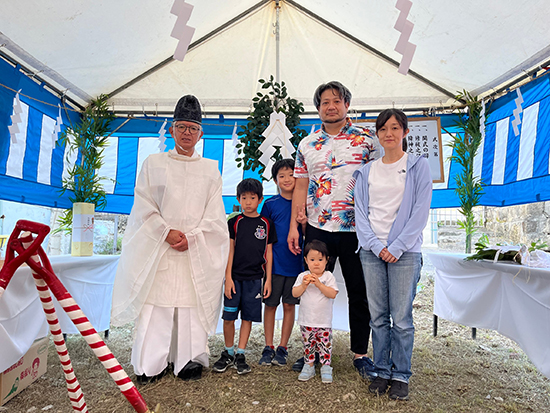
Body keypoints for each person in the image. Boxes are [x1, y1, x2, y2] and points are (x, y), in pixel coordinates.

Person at [111, 95, 229, 383]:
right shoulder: (153, 164)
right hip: (160, 246)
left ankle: (189, 361)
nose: (187, 133)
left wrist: (194, 237)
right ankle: (150, 365)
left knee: (190, 304)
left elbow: (215, 216)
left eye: (192, 128)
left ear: (201, 134)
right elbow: (143, 206)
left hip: (195, 249)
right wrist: (165, 231)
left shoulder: (210, 169)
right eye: (182, 127)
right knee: (158, 306)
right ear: (172, 130)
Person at [288, 81, 378, 379]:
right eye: (325, 102)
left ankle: (361, 354)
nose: (331, 106)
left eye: (336, 101)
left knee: (358, 292)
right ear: (318, 108)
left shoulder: (367, 140)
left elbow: (380, 179)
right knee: (313, 290)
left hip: (357, 230)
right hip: (318, 228)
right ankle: (311, 352)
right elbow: (300, 184)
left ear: (346, 105)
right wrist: (293, 226)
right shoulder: (306, 144)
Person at [353, 109, 432, 400]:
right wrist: (376, 245)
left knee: (402, 318)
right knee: (377, 316)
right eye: (383, 128)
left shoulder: (417, 166)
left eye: (395, 127)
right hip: (372, 252)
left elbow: (420, 212)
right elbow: (360, 213)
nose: (389, 133)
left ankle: (401, 374)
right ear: (377, 134)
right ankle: (381, 369)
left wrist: (396, 247)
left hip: (406, 252)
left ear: (405, 132)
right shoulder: (365, 171)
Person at [213, 178, 277, 375]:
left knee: (248, 317)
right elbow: (229, 251)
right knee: (229, 317)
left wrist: (268, 280)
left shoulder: (266, 224)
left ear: (260, 199)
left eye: (252, 197)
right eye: (244, 198)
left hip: (255, 280)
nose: (248, 202)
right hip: (234, 279)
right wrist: (228, 278)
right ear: (238, 199)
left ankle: (241, 353)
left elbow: (269, 253)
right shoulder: (234, 222)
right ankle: (228, 351)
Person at [258, 159, 304, 367]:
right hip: (273, 266)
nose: (287, 179)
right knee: (270, 305)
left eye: (291, 174)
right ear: (275, 180)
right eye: (281, 176)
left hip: (296, 266)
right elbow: (262, 236)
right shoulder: (270, 204)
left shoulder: (305, 204)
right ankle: (268, 346)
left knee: (289, 305)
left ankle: (283, 347)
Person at [292, 240, 338, 383]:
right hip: (307, 320)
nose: (316, 263)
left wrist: (318, 284)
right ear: (306, 260)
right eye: (312, 260)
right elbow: (294, 293)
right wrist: (304, 285)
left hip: (323, 321)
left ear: (327, 260)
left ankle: (326, 367)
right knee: (308, 344)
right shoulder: (302, 276)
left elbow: (332, 293)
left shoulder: (328, 277)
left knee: (325, 344)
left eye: (320, 259)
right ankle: (309, 365)